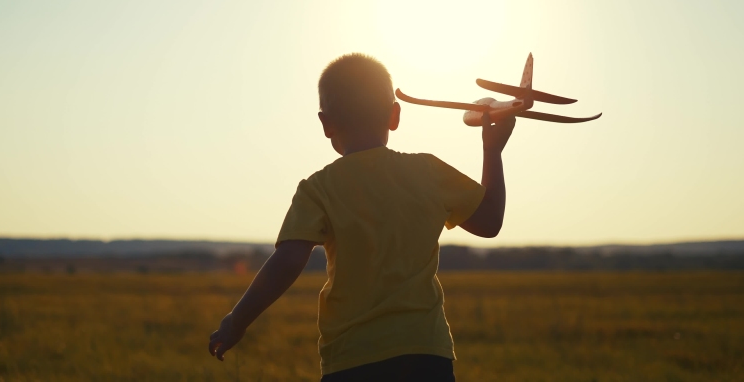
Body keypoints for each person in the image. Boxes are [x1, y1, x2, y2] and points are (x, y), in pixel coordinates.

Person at [209, 54, 515, 381]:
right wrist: (492, 151)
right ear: (394, 115)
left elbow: (286, 262)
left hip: (353, 360)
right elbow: (490, 221)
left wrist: (236, 321)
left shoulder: (318, 189)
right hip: (426, 356)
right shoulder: (428, 172)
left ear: (326, 124)